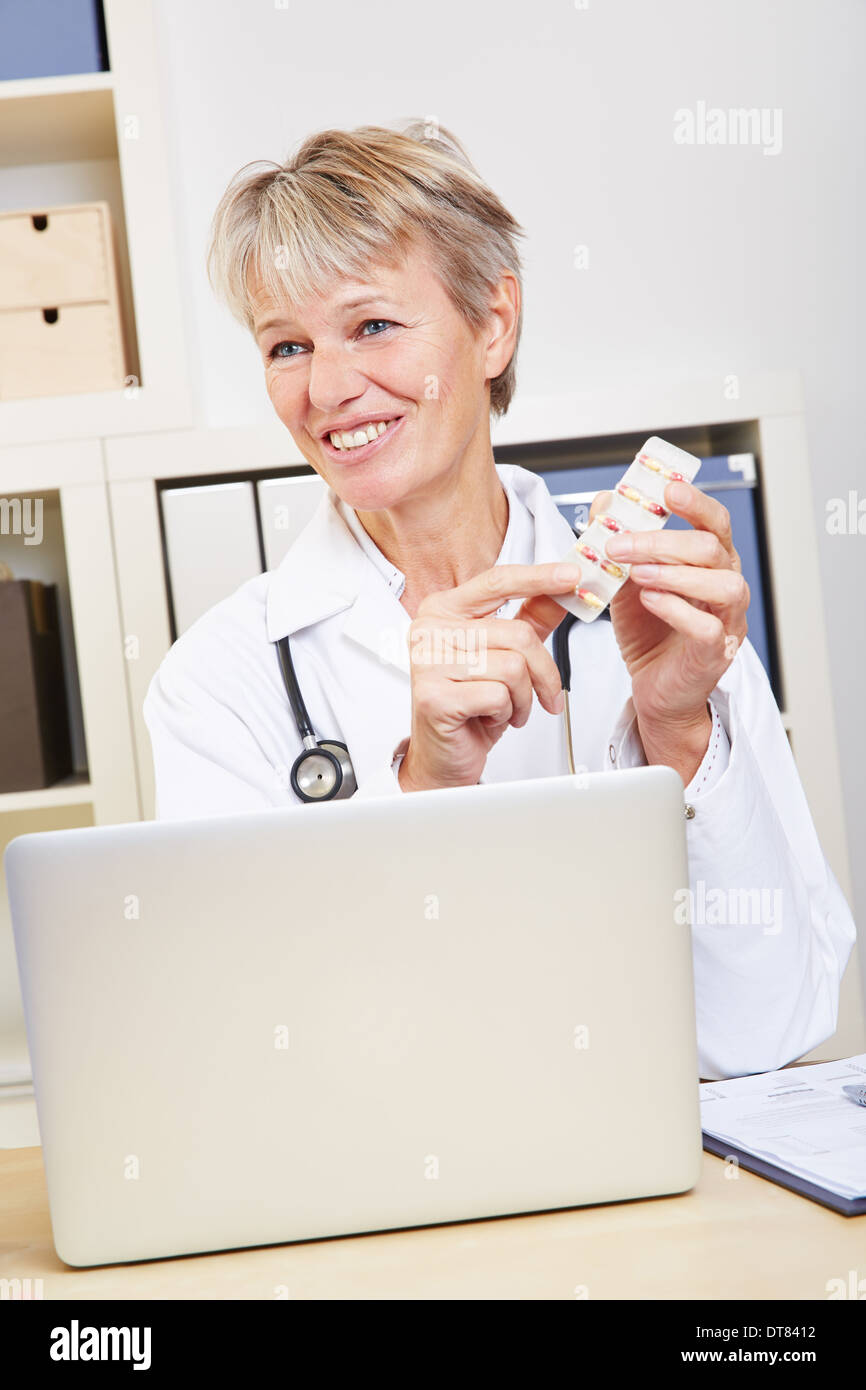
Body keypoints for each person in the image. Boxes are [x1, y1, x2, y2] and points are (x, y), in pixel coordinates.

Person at [143, 121, 855, 1080]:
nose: (329, 387)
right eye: (286, 347)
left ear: (492, 323)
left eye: (373, 326)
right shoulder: (221, 679)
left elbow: (772, 1027)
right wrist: (427, 789)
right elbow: (253, 1063)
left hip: (666, 1203)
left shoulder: (661, 605)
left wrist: (679, 728)